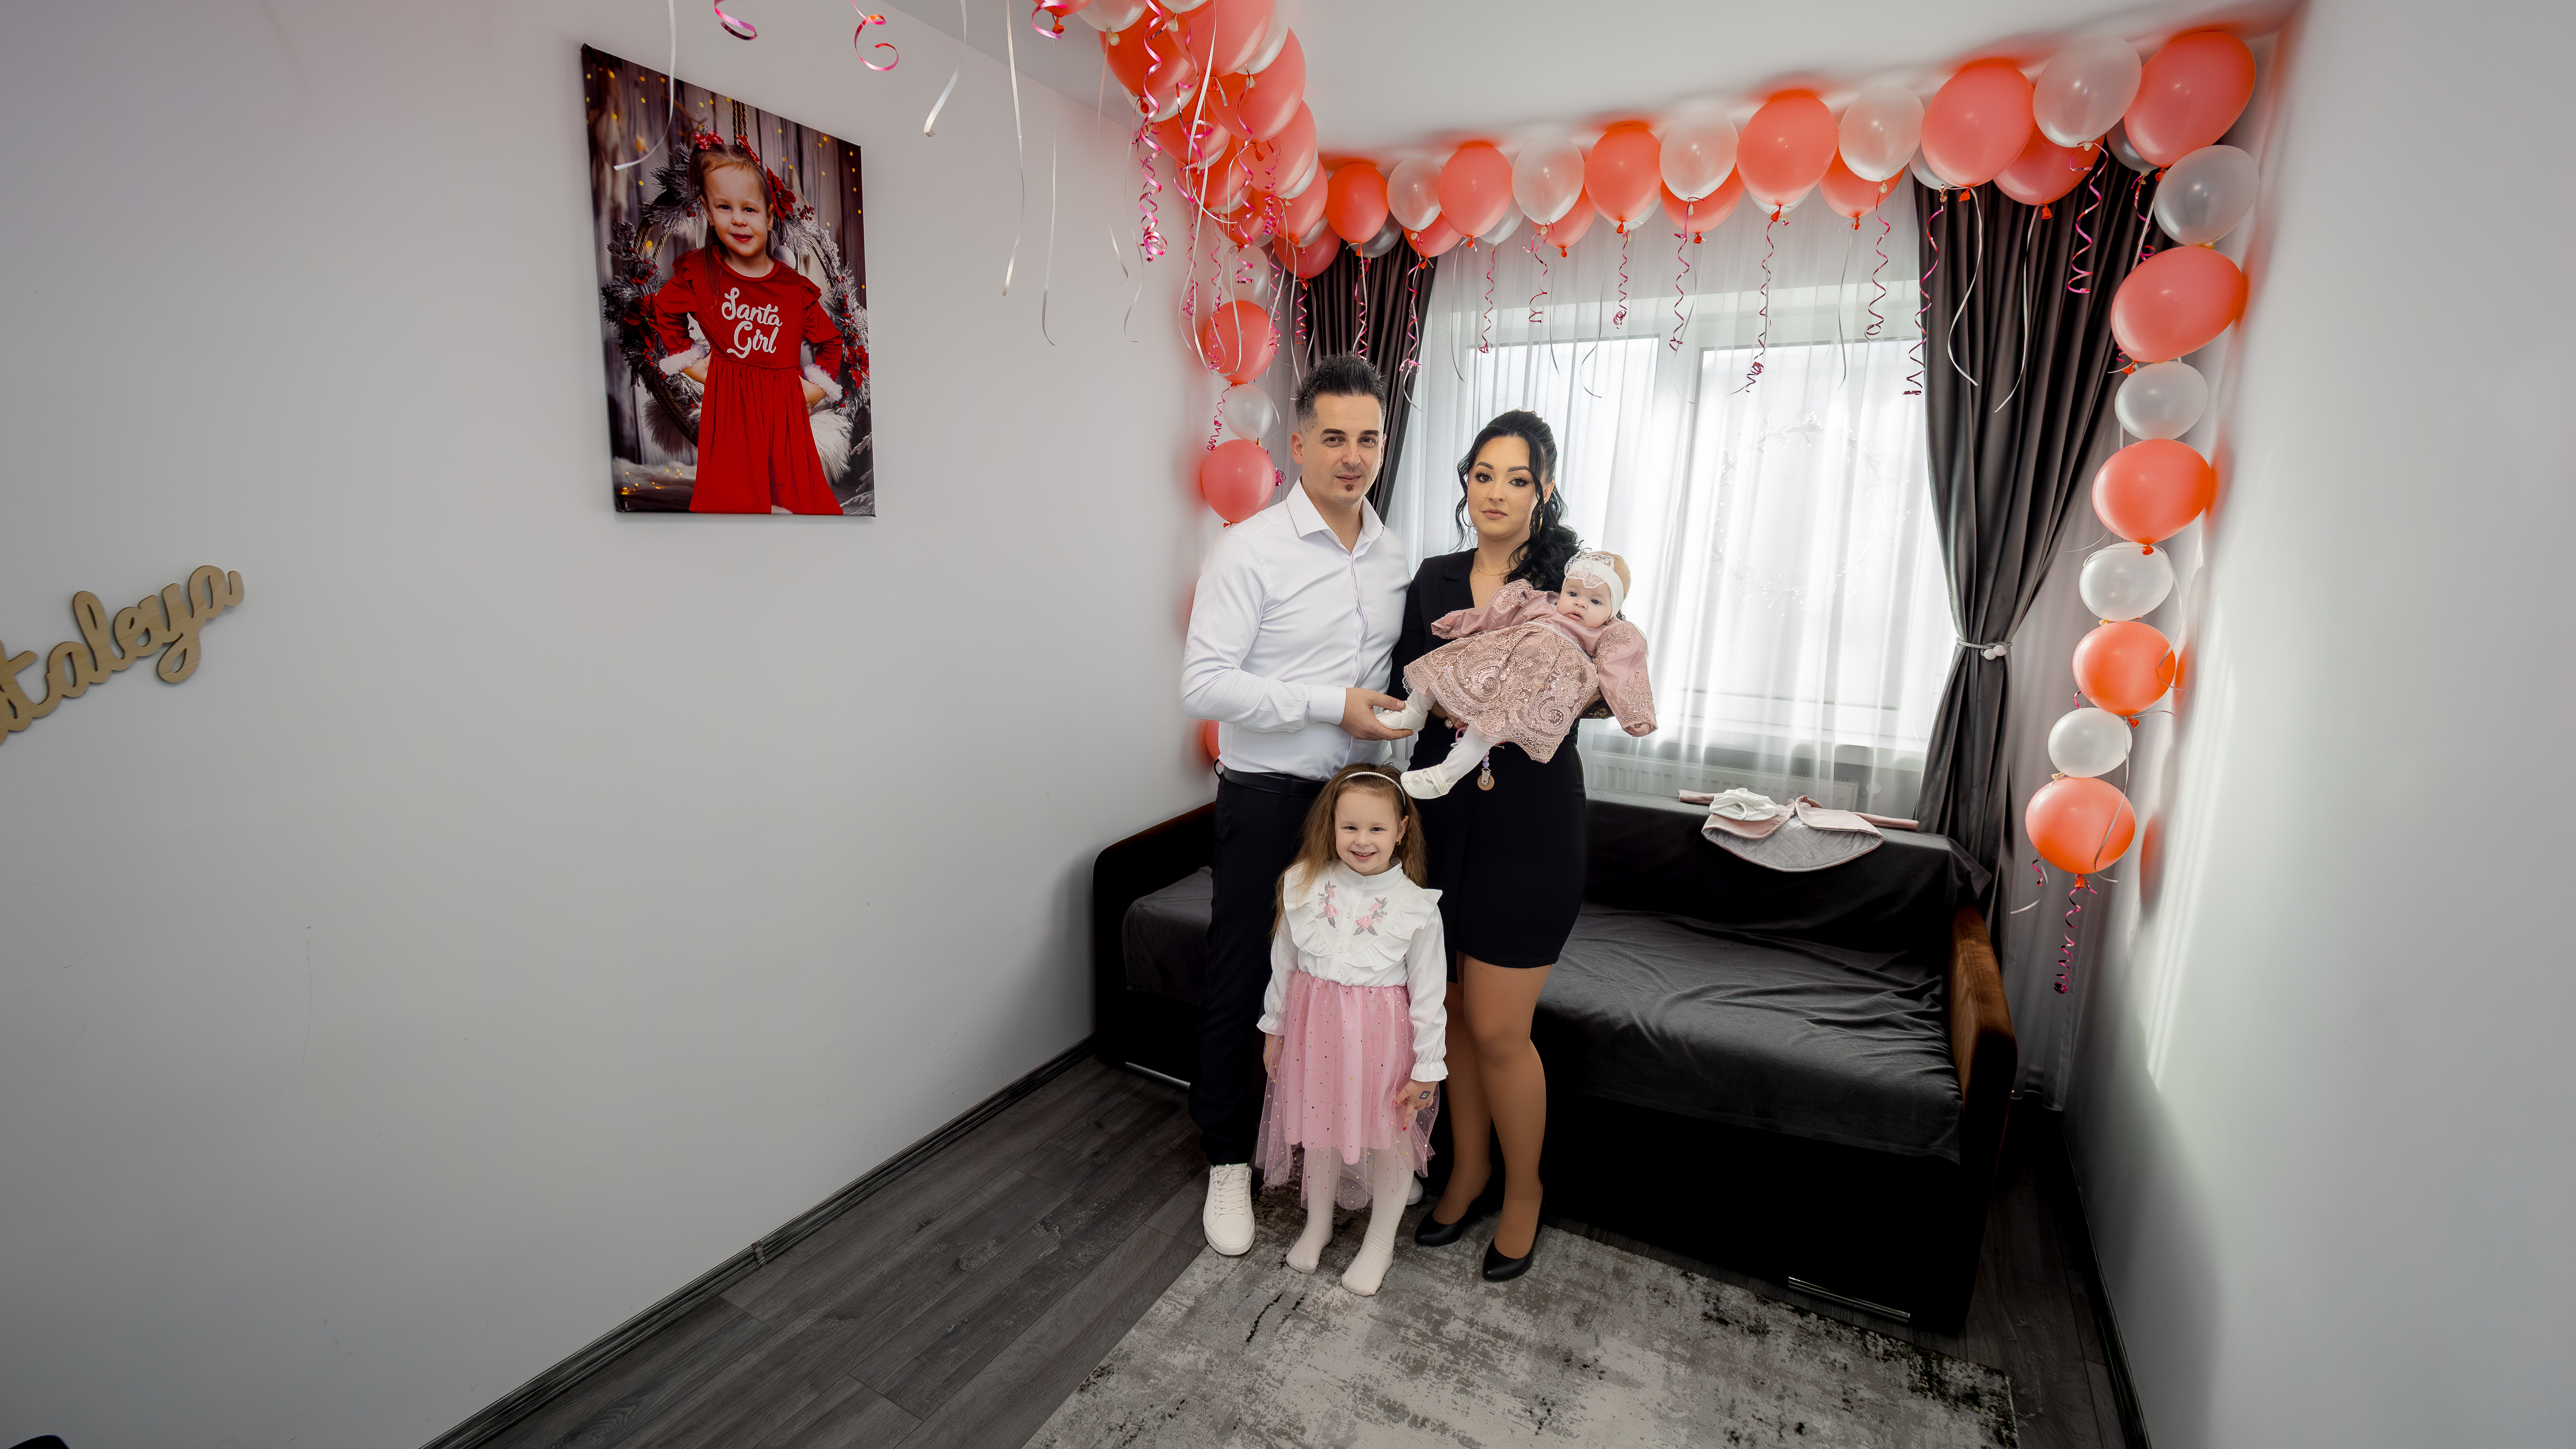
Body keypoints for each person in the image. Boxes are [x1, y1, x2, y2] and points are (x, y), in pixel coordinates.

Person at [1179, 354, 1414, 1257]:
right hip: (1268, 798)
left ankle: (1328, 1150)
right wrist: (1329, 704)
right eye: (1334, 438)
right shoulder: (1248, 549)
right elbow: (1203, 684)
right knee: (1243, 976)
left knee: (1348, 980)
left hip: (1363, 805)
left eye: (1369, 439)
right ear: (1300, 445)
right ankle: (1225, 1157)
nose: (1353, 457)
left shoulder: (1395, 557)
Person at [1393, 410, 1591, 1283]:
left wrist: (1488, 694)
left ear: (1543, 490)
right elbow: (1408, 683)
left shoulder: (1571, 581)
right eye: (1483, 475)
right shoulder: (1433, 577)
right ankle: (1465, 1171)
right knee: (1450, 1016)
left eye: (1517, 478)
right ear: (1465, 483)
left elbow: (1591, 686)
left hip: (1531, 823)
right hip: (1441, 818)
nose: (1496, 493)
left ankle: (1524, 1193)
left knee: (1499, 1027)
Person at [1254, 765, 1447, 1296]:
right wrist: (1274, 1028)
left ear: (1401, 829)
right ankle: (1317, 1223)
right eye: (1350, 827)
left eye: (1376, 828)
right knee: (1319, 1129)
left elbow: (1429, 996)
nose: (1363, 840)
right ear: (1332, 825)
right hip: (1314, 1034)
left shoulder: (1416, 908)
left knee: (1388, 1137)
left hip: (1383, 1043)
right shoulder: (1303, 884)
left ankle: (1379, 1242)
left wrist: (1427, 1067)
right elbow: (1283, 964)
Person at [648, 137, 847, 515]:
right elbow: (665, 310)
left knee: (801, 503)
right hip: (731, 410)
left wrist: (813, 389)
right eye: (725, 207)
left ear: (769, 217)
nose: (738, 219)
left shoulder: (792, 287)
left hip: (784, 412)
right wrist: (693, 362)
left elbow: (831, 340)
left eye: (749, 209)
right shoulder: (701, 273)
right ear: (709, 213)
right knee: (733, 505)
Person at [1377, 550, 1655, 799]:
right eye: (1573, 594)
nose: (1580, 604)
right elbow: (1495, 617)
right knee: (1446, 666)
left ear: (1613, 611)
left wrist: (1635, 714)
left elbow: (1621, 674)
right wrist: (1458, 623)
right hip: (1496, 662)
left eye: (1595, 601)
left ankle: (1444, 776)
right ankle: (1414, 710)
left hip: (1528, 691)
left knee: (1488, 729)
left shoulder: (1608, 635)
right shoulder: (1541, 605)